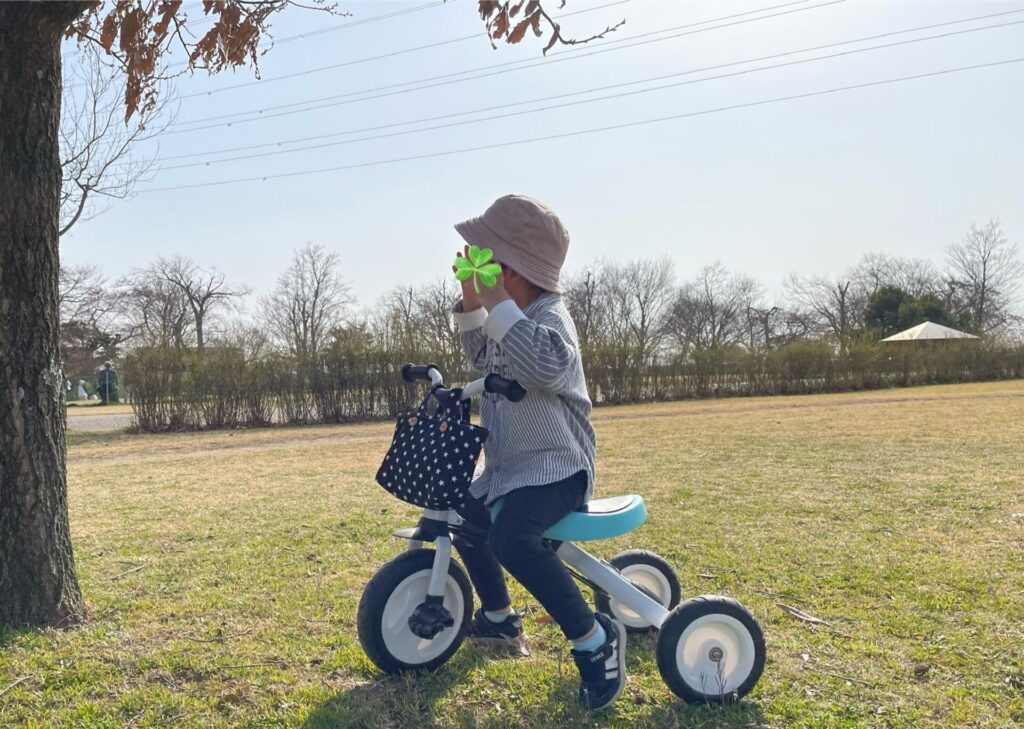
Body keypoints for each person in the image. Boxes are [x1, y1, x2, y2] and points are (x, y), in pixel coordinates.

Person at [449, 194, 625, 711]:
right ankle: (500, 618)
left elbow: (544, 366)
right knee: (467, 516)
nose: (474, 263)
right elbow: (484, 354)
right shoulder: (512, 315)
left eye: (483, 258)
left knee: (513, 539)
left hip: (557, 467)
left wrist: (499, 303)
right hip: (511, 467)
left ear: (512, 270)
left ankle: (594, 640)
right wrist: (471, 302)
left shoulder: (549, 314)